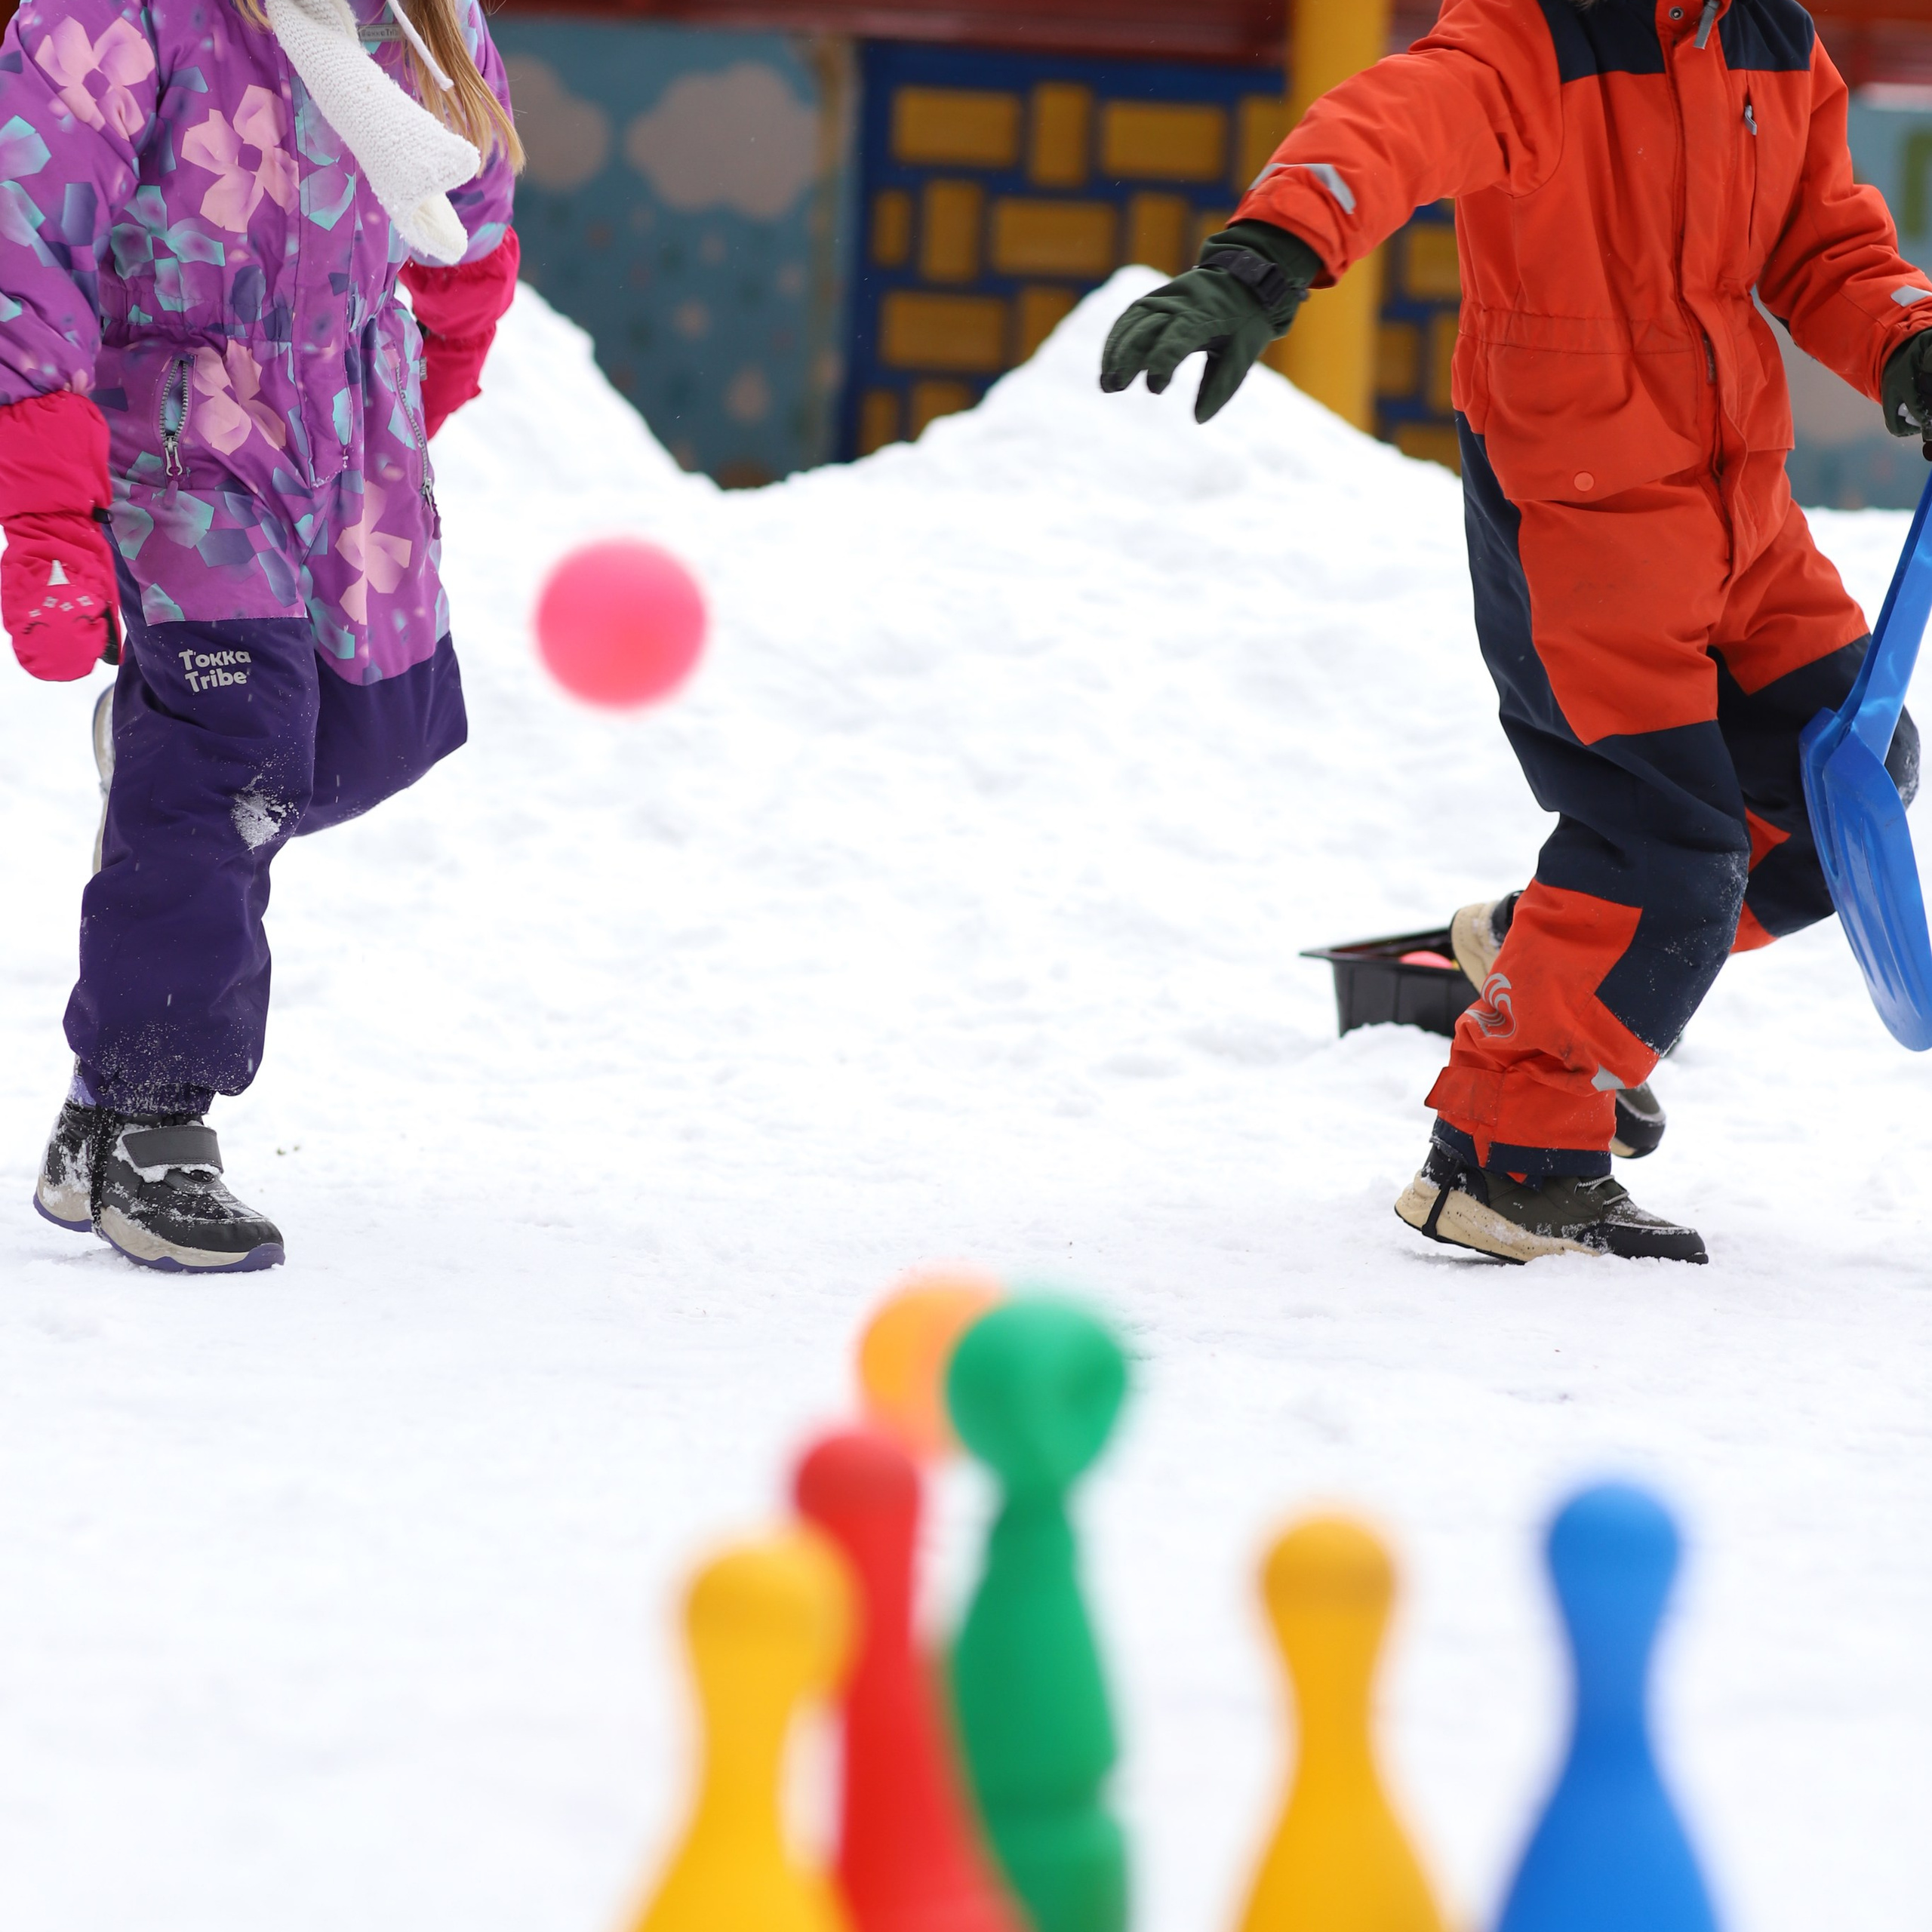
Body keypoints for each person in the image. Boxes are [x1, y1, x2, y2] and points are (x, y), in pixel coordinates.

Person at [1101, 0, 1926, 1266]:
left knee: (1846, 774)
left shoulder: (1771, 39)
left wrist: (1908, 339)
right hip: (1581, 510)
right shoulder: (1537, 34)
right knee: (1666, 850)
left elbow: (1822, 245)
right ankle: (1509, 1155)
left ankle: (1544, 947)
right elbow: (1388, 125)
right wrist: (1267, 254)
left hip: (1737, 504)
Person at [2, 0, 522, 1271]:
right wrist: (49, 515)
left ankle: (99, 1095)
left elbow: (472, 185)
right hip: (174, 419)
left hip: (349, 413)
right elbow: (25, 241)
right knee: (236, 746)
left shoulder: (414, 13)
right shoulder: (126, 10)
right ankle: (152, 1128)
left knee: (376, 734)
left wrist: (443, 349)